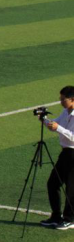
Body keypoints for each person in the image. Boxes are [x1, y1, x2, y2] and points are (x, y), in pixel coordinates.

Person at [40, 86, 74, 230]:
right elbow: (56, 124)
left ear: (72, 99)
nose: (61, 102)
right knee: (53, 183)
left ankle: (70, 219)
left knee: (72, 188)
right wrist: (44, 119)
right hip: (65, 153)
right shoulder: (65, 112)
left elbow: (72, 136)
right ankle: (56, 216)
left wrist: (57, 128)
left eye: (63, 99)